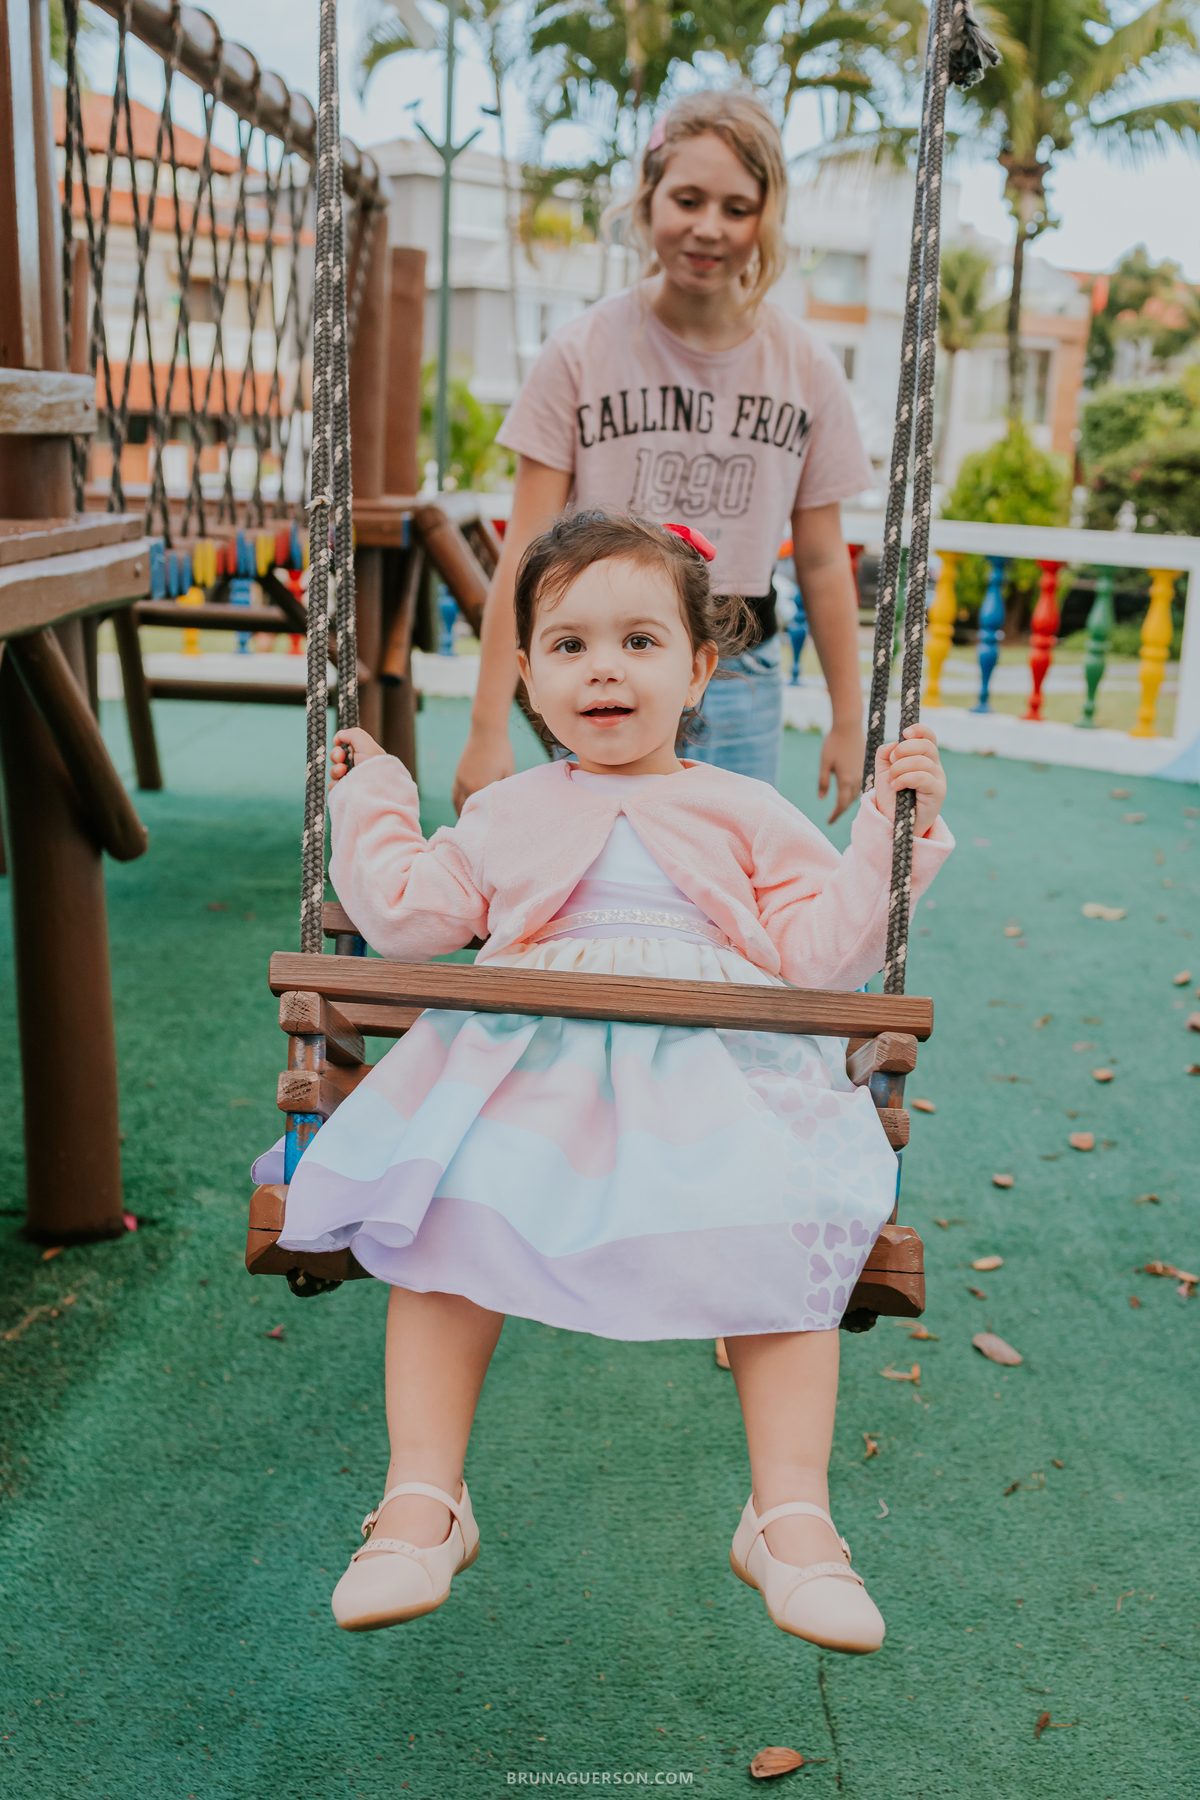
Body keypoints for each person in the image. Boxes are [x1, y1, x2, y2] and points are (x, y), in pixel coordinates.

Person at [269, 511, 952, 1650]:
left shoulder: (747, 810)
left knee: (792, 1225)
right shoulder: (505, 814)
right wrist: (374, 795)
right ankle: (420, 1503)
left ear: (700, 671)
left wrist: (890, 827)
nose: (605, 669)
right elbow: (403, 920)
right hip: (526, 1085)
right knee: (444, 1202)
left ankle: (791, 1519)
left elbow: (823, 953)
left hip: (710, 1087)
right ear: (528, 675)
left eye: (641, 641)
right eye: (571, 644)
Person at [453, 89, 872, 818]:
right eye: (686, 199)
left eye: (736, 208)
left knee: (728, 891)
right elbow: (523, 549)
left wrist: (848, 717)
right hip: (607, 671)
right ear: (648, 200)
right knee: (598, 879)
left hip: (740, 671)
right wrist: (488, 725)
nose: (708, 228)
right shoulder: (581, 353)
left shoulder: (805, 365)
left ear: (765, 217)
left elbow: (823, 559)